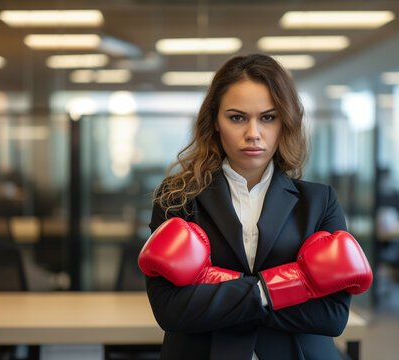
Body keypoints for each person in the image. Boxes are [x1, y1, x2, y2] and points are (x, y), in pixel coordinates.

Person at [138, 54, 372, 360]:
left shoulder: (319, 202)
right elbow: (171, 310)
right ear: (215, 122)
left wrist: (225, 290)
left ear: (285, 122)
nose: (253, 133)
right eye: (237, 117)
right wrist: (282, 287)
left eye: (268, 117)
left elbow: (331, 314)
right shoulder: (177, 198)